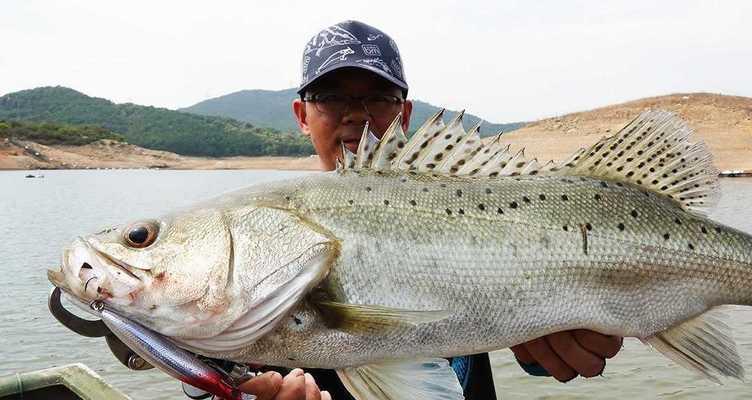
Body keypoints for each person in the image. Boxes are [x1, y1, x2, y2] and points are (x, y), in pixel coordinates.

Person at [237, 20, 623, 400]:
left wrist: (556, 346)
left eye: (379, 97)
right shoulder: (253, 250)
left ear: (404, 113)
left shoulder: (456, 195)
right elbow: (198, 356)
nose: (356, 113)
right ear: (302, 115)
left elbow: (520, 328)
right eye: (331, 97)